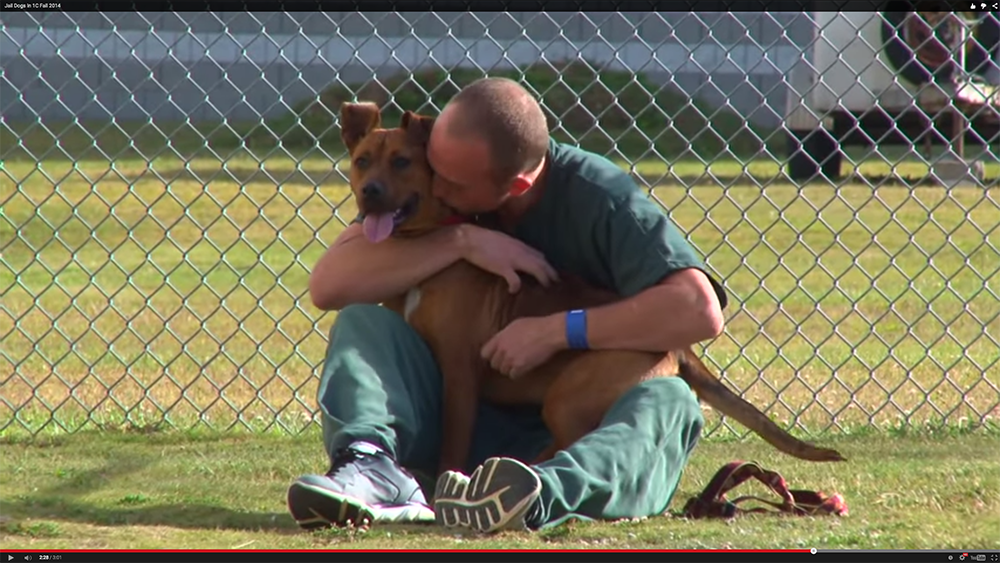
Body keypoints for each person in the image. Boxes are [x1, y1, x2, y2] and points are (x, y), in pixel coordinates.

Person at [286, 77, 728, 533]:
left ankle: (537, 496)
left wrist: (556, 331)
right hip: (468, 422)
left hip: (581, 434)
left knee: (668, 398)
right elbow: (329, 286)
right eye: (432, 168)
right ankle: (372, 467)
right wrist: (463, 240)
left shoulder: (600, 196)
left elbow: (699, 310)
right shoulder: (417, 195)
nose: (436, 188)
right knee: (362, 321)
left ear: (515, 185)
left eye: (450, 182)